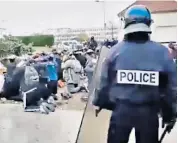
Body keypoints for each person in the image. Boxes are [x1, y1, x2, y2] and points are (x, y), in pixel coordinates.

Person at [93, 5, 177, 143]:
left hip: (121, 113)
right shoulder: (162, 53)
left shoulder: (114, 52)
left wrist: (99, 103)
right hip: (149, 115)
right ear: (148, 24)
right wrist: (170, 116)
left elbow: (104, 83)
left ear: (126, 23)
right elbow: (170, 90)